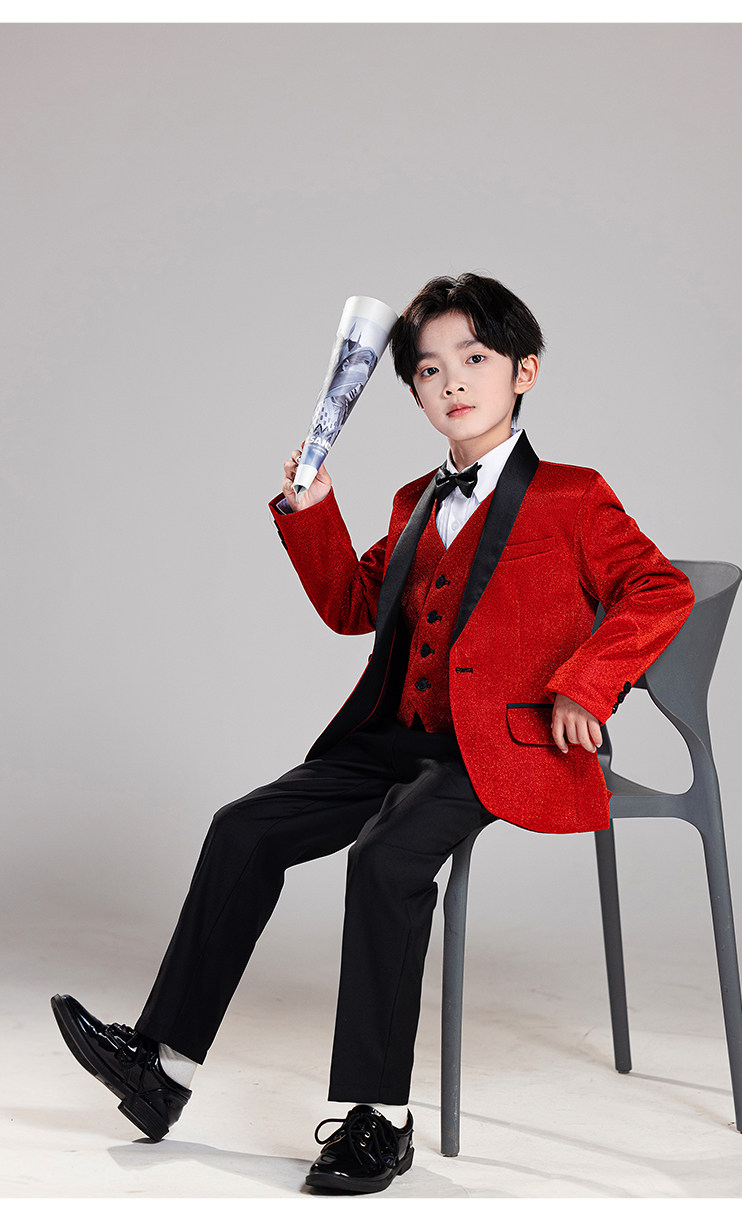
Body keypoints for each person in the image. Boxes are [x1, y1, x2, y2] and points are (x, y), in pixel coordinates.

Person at [51, 273, 695, 1195]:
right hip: (392, 735)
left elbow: (659, 588)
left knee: (386, 857)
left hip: (496, 747)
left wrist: (585, 685)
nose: (453, 381)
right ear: (415, 391)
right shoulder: (411, 502)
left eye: (475, 357)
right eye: (429, 369)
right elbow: (355, 606)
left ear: (524, 370)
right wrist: (311, 508)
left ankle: (378, 1118)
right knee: (244, 828)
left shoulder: (574, 495)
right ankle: (162, 1067)